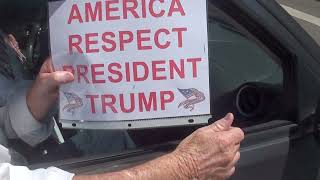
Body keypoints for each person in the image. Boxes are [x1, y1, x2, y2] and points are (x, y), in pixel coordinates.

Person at [0, 31, 244, 179]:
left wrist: (33, 103)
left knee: (114, 138)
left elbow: (4, 128)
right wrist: (185, 167)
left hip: (31, 153)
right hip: (31, 165)